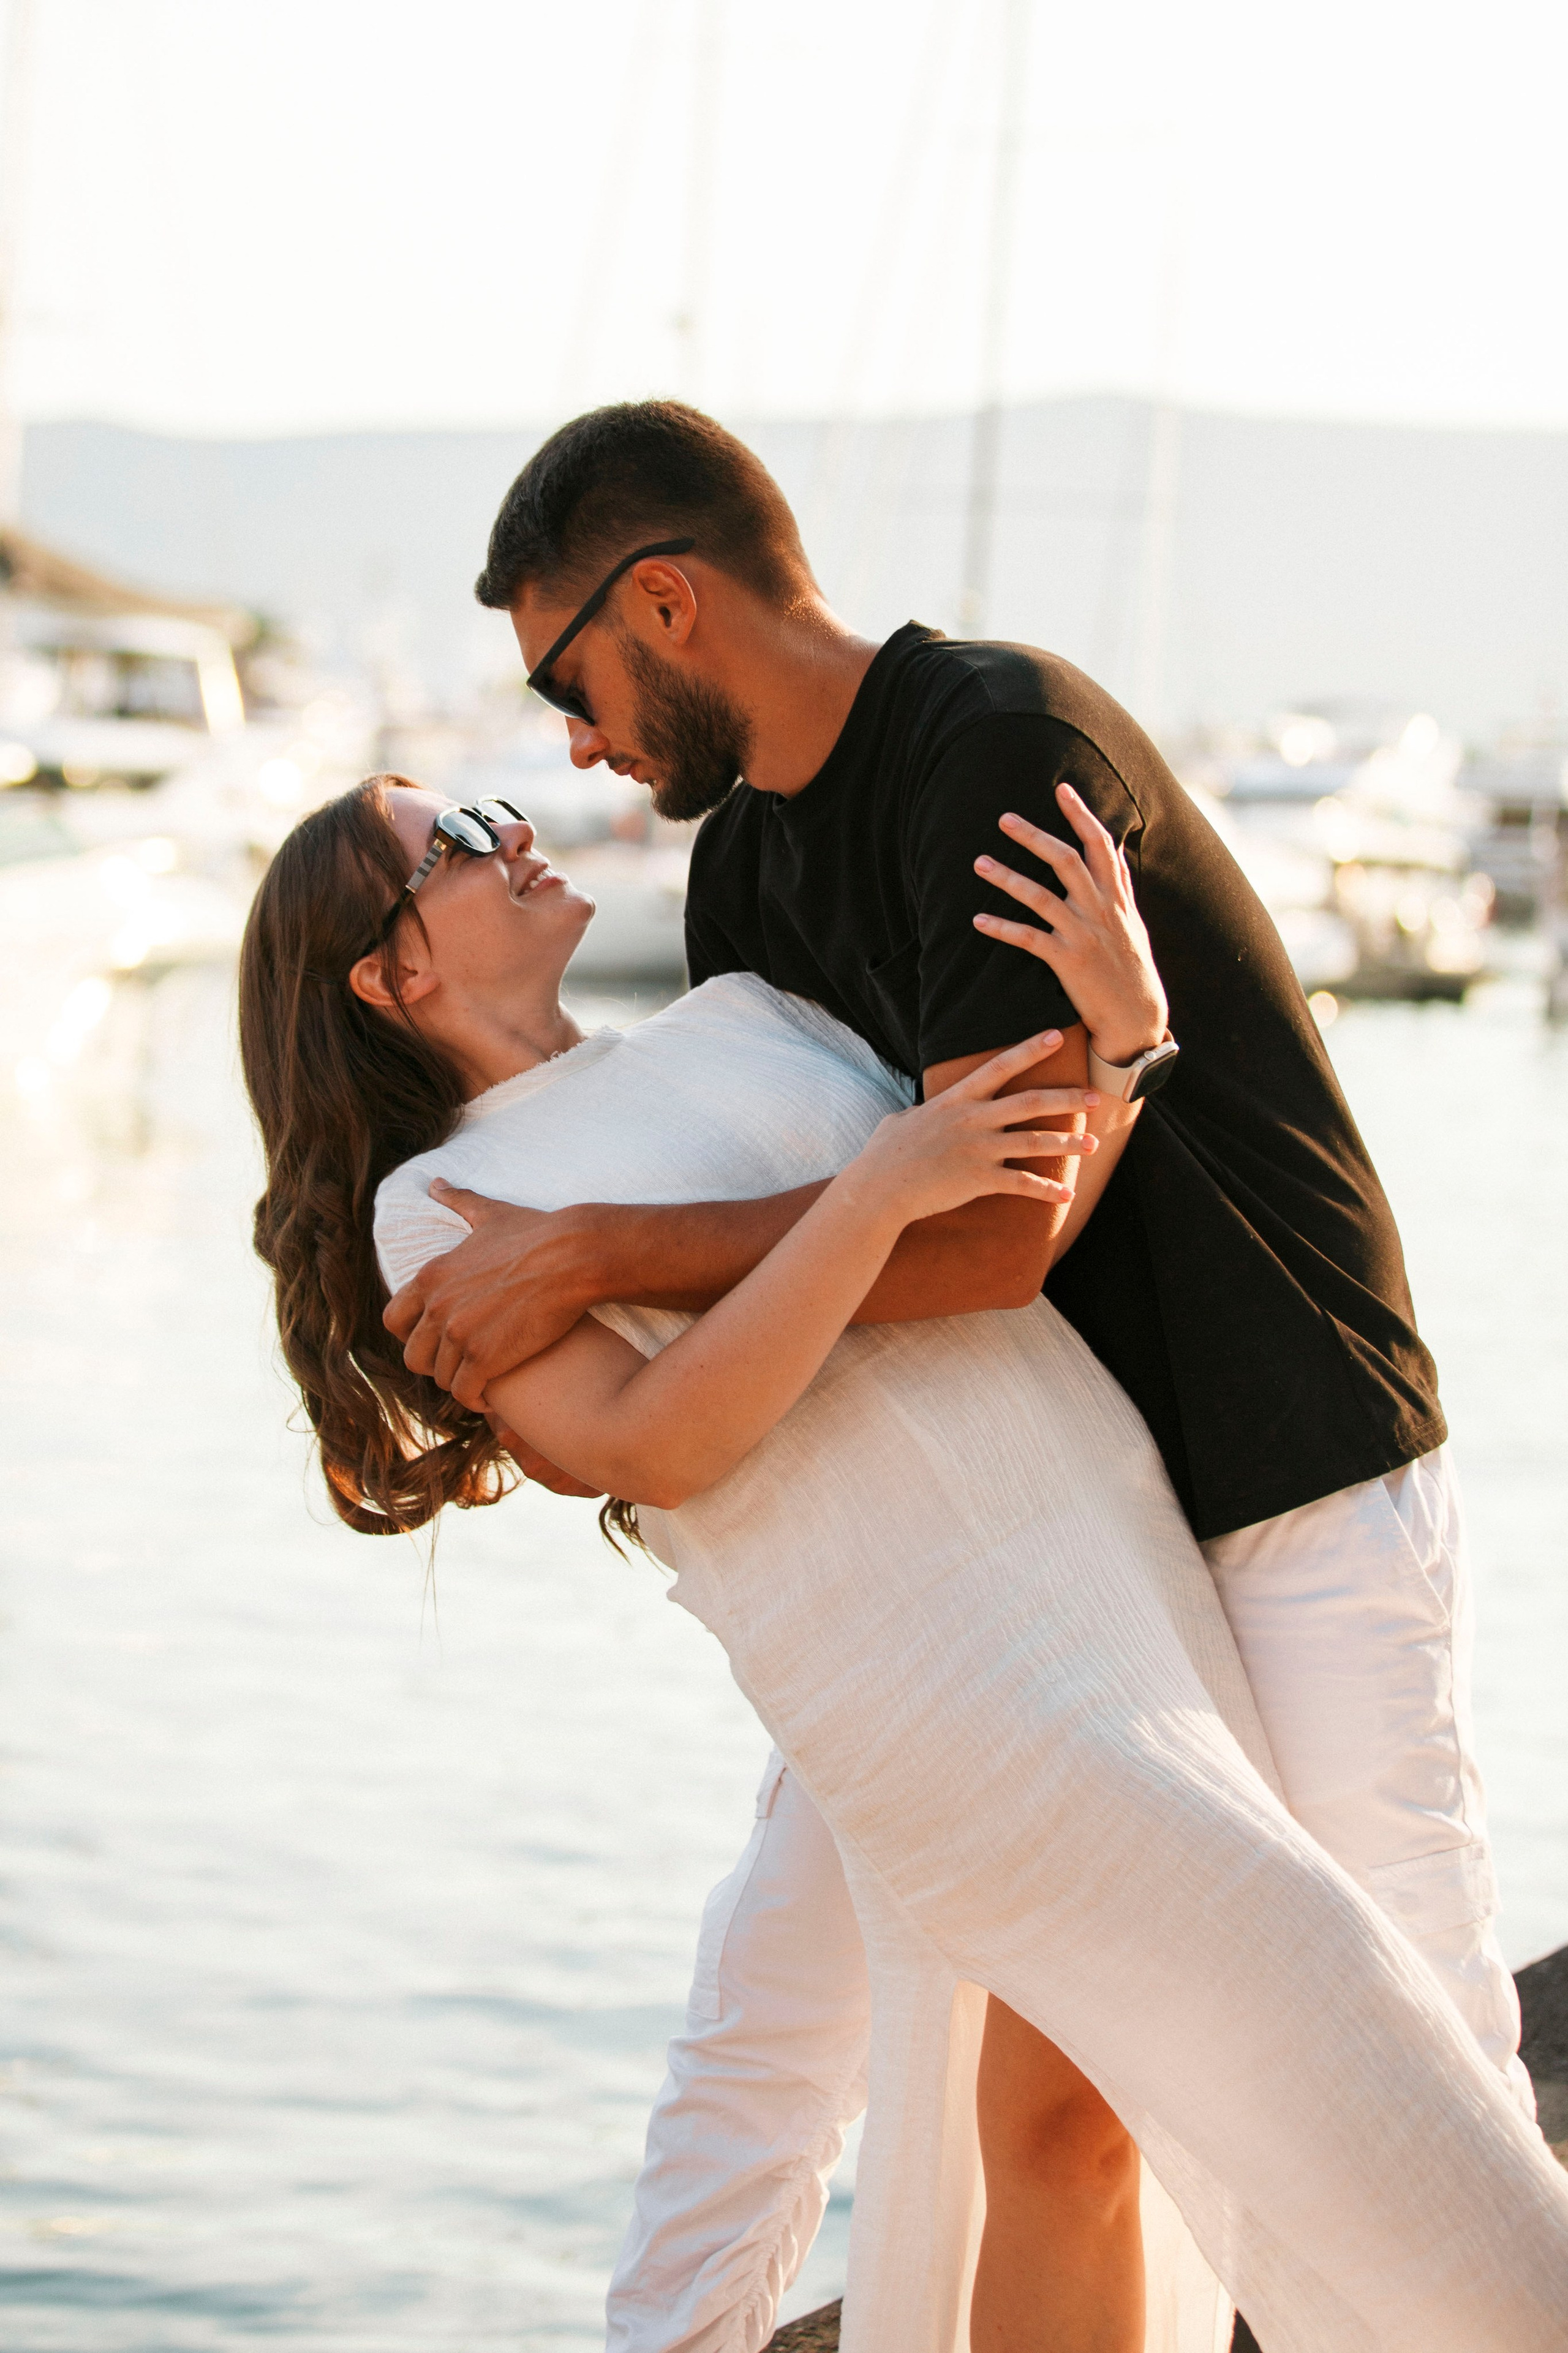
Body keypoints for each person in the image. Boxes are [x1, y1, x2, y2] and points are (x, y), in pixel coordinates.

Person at [383, 403, 1536, 2349]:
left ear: (663, 599)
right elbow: (860, 1212)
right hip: (1051, 1557)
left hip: (1287, 1452)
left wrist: (598, 1255)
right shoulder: (746, 882)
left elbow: (984, 1229)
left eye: (567, 682)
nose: (570, 741)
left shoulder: (998, 750)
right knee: (985, 2073)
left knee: (1399, 2013)